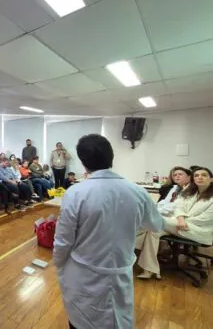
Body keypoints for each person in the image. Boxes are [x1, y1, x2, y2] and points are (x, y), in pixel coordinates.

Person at [53, 134, 164, 329]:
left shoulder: (76, 193)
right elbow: (156, 225)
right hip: (120, 270)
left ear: (82, 161)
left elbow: (63, 241)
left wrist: (60, 265)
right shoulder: (137, 191)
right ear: (111, 157)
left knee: (83, 321)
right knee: (117, 319)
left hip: (84, 273)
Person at [136, 167, 213, 280]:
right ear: (193, 179)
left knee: (153, 220)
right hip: (179, 225)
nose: (199, 177)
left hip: (199, 230)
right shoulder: (189, 193)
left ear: (211, 179)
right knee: (153, 230)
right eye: (196, 175)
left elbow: (206, 219)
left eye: (204, 175)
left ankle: (128, 245)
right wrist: (180, 220)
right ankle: (150, 270)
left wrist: (181, 221)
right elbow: (178, 206)